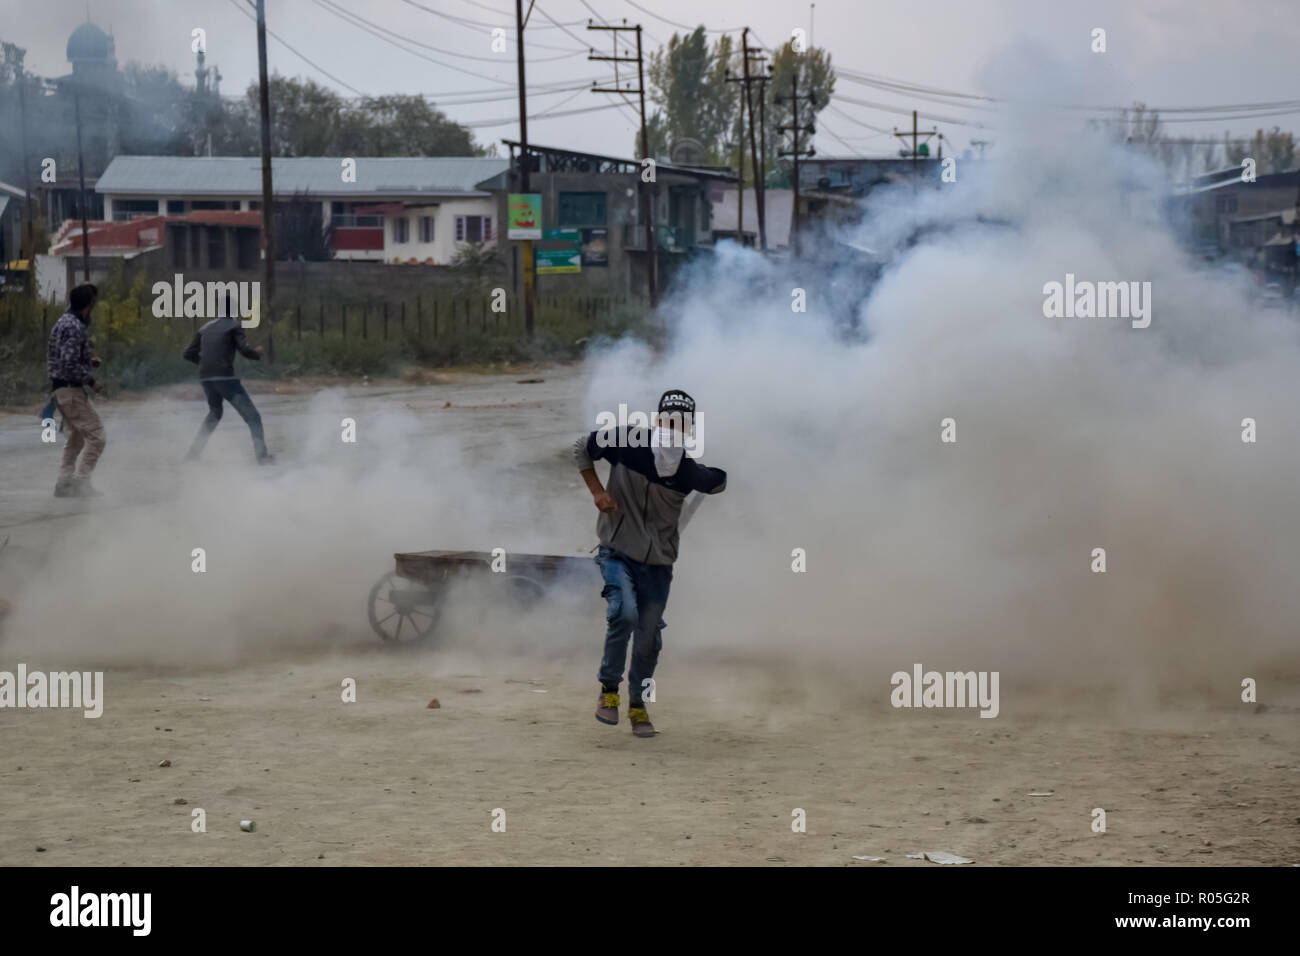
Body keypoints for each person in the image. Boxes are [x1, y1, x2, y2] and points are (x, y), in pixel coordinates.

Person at [572, 389, 727, 737]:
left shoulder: (690, 472)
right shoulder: (625, 440)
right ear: (657, 420)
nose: (673, 427)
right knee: (623, 614)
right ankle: (609, 692)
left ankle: (638, 707)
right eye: (668, 419)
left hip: (658, 565)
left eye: (681, 422)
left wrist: (717, 477)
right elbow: (581, 448)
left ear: (689, 430)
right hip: (616, 551)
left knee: (648, 640)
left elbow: (717, 482)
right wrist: (598, 492)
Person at [182, 301, 274, 464]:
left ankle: (192, 455)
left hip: (206, 378)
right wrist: (257, 353)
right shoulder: (234, 325)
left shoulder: (205, 328)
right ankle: (263, 458)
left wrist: (206, 364)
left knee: (215, 413)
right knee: (253, 418)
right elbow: (244, 349)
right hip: (224, 378)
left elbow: (188, 354)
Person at [46, 283, 106, 497]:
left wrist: (88, 359)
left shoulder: (64, 321)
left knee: (76, 439)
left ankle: (64, 483)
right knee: (97, 436)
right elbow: (68, 363)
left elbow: (67, 356)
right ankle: (81, 482)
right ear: (90, 304)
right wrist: (91, 381)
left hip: (60, 390)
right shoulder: (74, 326)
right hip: (71, 390)